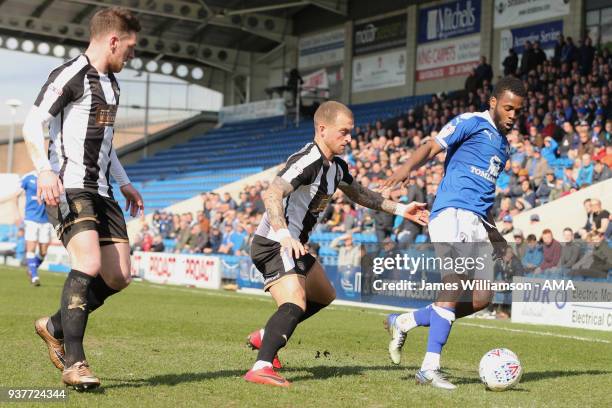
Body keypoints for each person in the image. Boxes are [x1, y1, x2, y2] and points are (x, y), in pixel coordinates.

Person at [243, 101, 428, 387]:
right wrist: (283, 235)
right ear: (322, 129)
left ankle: (266, 335)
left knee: (325, 295)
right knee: (295, 302)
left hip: (295, 244)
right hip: (275, 242)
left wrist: (402, 210)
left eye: (350, 132)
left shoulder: (336, 168)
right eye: (344, 132)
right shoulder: (307, 160)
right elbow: (272, 193)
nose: (349, 139)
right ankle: (261, 366)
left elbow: (361, 195)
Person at [22, 7, 143, 390]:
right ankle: (74, 362)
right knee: (88, 262)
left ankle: (54, 324)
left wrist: (123, 181)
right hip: (69, 184)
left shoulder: (113, 85)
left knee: (119, 276)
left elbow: (105, 144)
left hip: (103, 190)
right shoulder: (71, 74)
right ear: (112, 40)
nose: (132, 55)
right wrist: (43, 168)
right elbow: (32, 122)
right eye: (131, 46)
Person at [380, 76, 526, 389]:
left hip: (478, 222)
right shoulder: (471, 122)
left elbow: (485, 200)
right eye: (508, 108)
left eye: (518, 110)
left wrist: (500, 242)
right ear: (493, 103)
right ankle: (429, 368)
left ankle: (404, 321)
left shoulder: (504, 146)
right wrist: (406, 169)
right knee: (456, 282)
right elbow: (432, 145)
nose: (513, 115)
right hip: (452, 213)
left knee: (482, 298)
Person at [19, 172, 54, 285]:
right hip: (31, 218)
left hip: (46, 219)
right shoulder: (28, 178)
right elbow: (18, 193)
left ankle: (32, 269)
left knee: (43, 252)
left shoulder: (51, 177)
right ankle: (34, 277)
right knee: (31, 247)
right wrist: (19, 214)